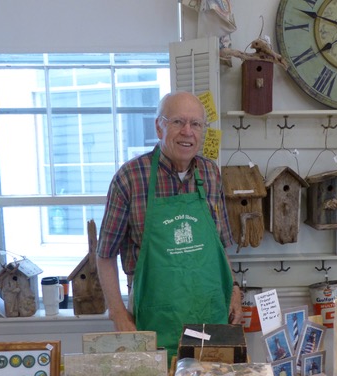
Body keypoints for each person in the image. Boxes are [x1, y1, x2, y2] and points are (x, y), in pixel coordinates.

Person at [96, 91, 242, 360]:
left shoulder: (211, 174)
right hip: (154, 320)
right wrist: (117, 313)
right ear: (158, 127)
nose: (187, 132)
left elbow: (220, 246)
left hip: (210, 316)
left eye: (196, 124)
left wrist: (233, 289)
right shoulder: (130, 178)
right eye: (177, 122)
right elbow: (105, 255)